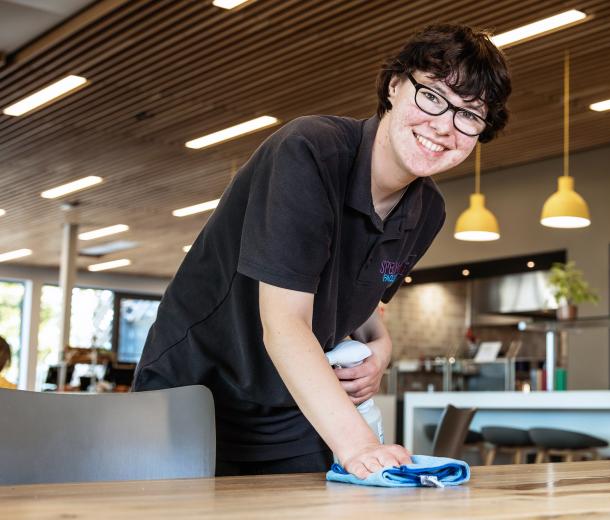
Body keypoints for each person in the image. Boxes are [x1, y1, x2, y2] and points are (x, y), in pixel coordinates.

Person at [132, 24, 512, 478]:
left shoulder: (427, 210)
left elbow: (362, 297)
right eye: (432, 97)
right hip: (195, 393)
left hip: (291, 408)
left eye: (469, 115)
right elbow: (285, 323)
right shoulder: (308, 151)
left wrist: (382, 345)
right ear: (395, 86)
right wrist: (360, 447)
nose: (444, 126)